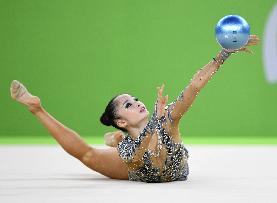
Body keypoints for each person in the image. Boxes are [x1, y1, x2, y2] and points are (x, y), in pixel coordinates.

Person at [10, 35, 259, 183]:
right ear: (120, 121)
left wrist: (225, 54)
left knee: (121, 140)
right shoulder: (129, 150)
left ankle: (112, 139)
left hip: (175, 169)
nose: (138, 103)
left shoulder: (167, 119)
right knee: (87, 155)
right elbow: (140, 153)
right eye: (128, 105)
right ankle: (37, 108)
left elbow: (194, 86)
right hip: (141, 172)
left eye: (136, 99)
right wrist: (154, 121)